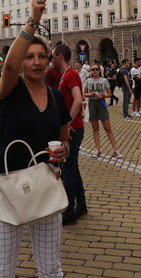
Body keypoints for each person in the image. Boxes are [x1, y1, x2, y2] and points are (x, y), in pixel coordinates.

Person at [0, 0, 69, 278]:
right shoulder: (10, 90)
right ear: (22, 62)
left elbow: (65, 136)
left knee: (50, 266)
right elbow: (8, 64)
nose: (35, 61)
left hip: (45, 182)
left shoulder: (58, 98)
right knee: (3, 267)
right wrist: (33, 20)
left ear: (49, 61)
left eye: (42, 56)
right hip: (8, 182)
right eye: (29, 57)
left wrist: (65, 151)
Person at [52, 44, 86, 225]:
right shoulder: (67, 74)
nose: (52, 59)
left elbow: (78, 100)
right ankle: (81, 204)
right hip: (72, 127)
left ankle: (70, 211)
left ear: (59, 57)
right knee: (73, 167)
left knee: (68, 169)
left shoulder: (71, 74)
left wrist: (68, 123)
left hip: (74, 129)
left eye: (53, 56)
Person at [83, 64, 121, 157]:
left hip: (101, 103)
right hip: (92, 103)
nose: (95, 71)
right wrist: (90, 94)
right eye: (93, 69)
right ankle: (98, 149)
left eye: (96, 69)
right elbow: (84, 93)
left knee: (107, 128)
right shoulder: (88, 81)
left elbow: (109, 94)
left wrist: (102, 96)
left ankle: (116, 149)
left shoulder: (104, 80)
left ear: (100, 71)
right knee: (95, 128)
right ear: (91, 71)